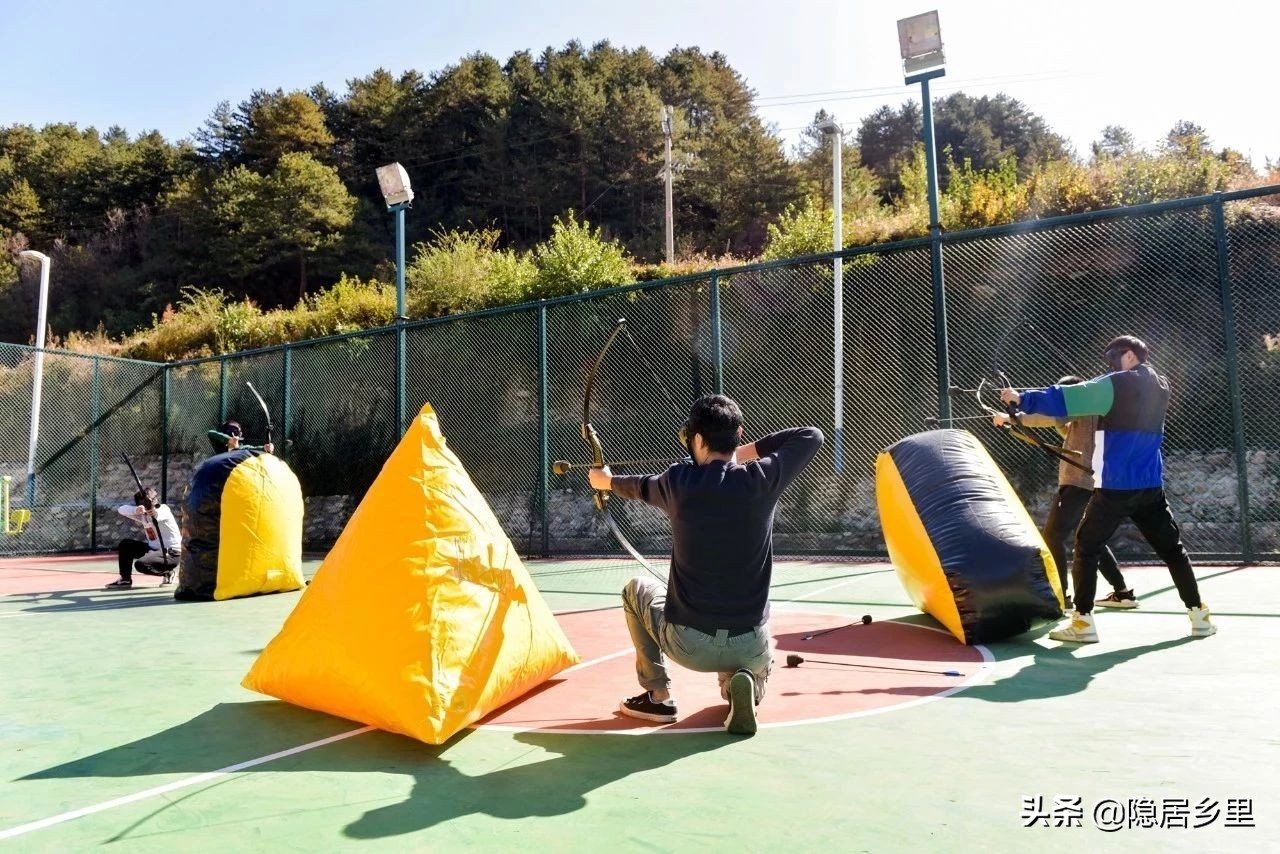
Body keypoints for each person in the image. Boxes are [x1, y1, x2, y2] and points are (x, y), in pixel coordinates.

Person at [588, 394, 823, 735]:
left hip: (690, 645)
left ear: (698, 440)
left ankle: (658, 696)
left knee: (635, 589)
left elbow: (639, 486)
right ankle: (744, 685)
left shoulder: (679, 482)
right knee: (749, 654)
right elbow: (811, 435)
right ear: (739, 434)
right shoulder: (762, 479)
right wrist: (742, 453)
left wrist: (605, 482)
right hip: (749, 643)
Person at [1001, 336, 1216, 642]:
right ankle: (1199, 616)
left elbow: (1069, 397)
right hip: (1150, 484)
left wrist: (1022, 399)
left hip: (1116, 485)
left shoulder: (1115, 383)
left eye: (1113, 356)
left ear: (1129, 355)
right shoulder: (1162, 385)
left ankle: (1083, 623)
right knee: (1173, 550)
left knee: (1086, 547)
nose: (1110, 362)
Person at [993, 375, 1137, 611]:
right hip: (1095, 482)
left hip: (1078, 482)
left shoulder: (1081, 406)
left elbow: (1044, 418)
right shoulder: (1094, 410)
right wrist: (1013, 419)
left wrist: (1011, 416)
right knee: (1090, 539)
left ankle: (1063, 597)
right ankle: (1122, 593)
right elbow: (1067, 430)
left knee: (1054, 536)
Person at [106, 487, 182, 589]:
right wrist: (136, 510)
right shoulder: (141, 514)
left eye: (151, 500)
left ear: (155, 500)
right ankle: (125, 579)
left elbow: (157, 514)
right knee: (126, 544)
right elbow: (121, 509)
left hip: (171, 553)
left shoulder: (164, 509)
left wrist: (152, 511)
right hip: (153, 550)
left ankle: (167, 573)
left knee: (141, 565)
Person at [207, 420, 274, 455]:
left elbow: (254, 449)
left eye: (236, 431)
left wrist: (266, 448)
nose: (233, 433)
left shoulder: (243, 449)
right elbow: (210, 433)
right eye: (230, 430)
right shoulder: (219, 448)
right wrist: (228, 440)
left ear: (240, 434)